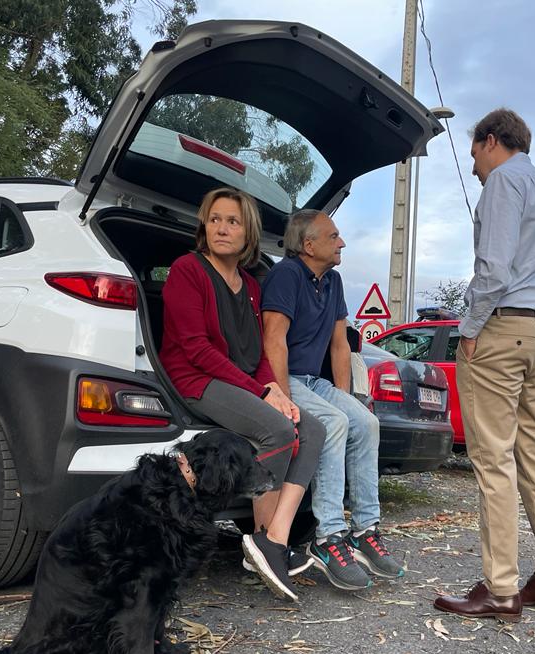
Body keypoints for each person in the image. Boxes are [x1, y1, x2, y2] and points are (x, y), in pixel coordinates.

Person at [433, 108, 535, 622]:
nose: (474, 168)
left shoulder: (503, 183)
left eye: (474, 155)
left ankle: (501, 589)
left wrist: (468, 329)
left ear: (492, 141)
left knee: (493, 458)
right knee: (534, 448)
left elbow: (493, 267)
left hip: (501, 326)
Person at [159, 187, 325, 602]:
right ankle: (263, 542)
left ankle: (274, 539)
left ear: (247, 232)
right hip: (194, 378)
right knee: (279, 431)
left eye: (232, 221)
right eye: (215, 219)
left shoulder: (251, 284)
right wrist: (260, 393)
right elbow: (195, 349)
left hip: (235, 379)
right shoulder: (188, 269)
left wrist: (275, 389)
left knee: (313, 428)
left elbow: (257, 352)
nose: (221, 228)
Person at [261, 210, 404, 591]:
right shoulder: (285, 275)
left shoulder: (334, 280)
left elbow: (340, 347)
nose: (341, 243)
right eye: (334, 236)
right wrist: (284, 400)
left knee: (364, 422)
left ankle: (366, 529)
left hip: (314, 379)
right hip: (286, 377)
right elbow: (273, 340)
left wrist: (345, 399)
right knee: (332, 423)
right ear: (308, 245)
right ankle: (328, 537)